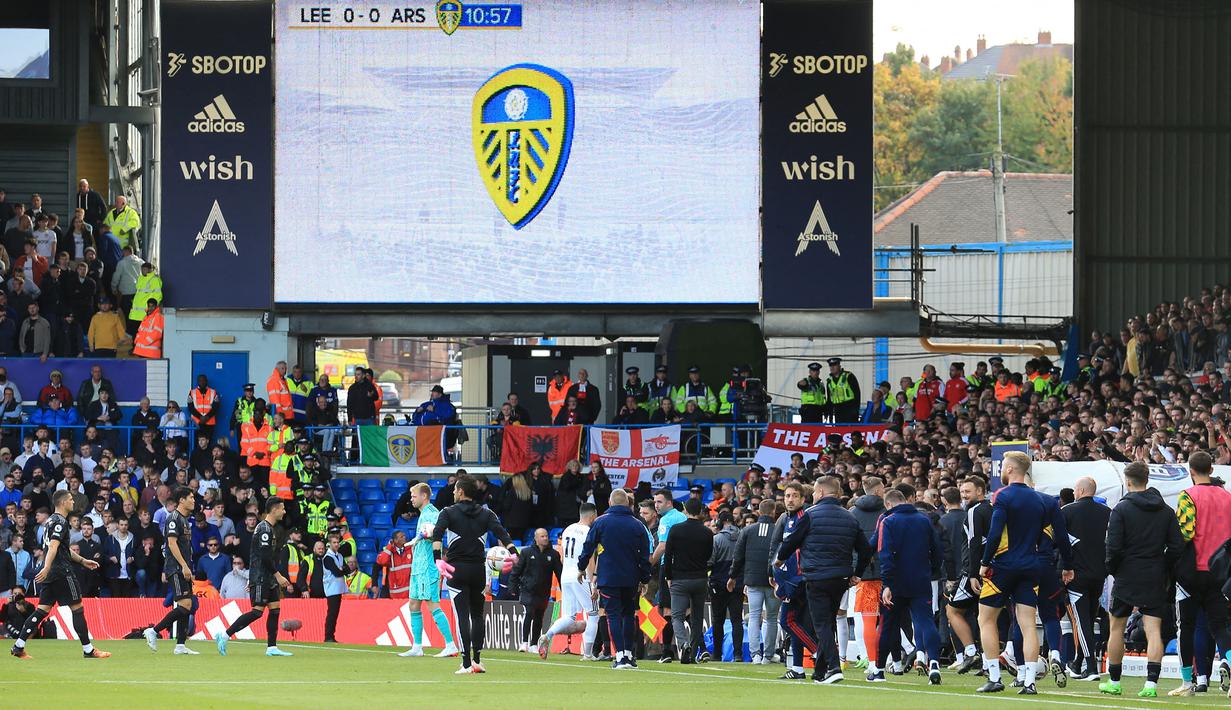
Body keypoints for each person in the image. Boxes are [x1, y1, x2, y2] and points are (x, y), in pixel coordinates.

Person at [776, 476, 873, 684]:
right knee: (828, 623)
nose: (812, 496)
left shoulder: (810, 515)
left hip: (817, 576)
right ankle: (820, 672)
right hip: (841, 578)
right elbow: (865, 550)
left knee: (821, 625)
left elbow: (792, 540)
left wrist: (780, 559)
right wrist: (858, 573)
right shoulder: (850, 517)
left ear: (820, 493)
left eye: (814, 493)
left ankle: (833, 667)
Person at [1099, 462, 1185, 698]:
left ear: (1128, 482)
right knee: (1153, 629)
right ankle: (1151, 685)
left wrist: (1113, 569)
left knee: (1116, 627)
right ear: (1147, 480)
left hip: (1127, 574)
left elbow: (1113, 546)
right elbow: (1177, 546)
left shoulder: (1121, 509)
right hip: (1154, 573)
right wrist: (1163, 564)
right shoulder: (1166, 510)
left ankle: (1114, 682)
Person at [430, 473, 518, 674]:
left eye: (454, 490)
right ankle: (478, 659)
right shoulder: (487, 514)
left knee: (462, 616)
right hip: (479, 570)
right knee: (478, 615)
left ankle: (466, 663)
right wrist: (513, 553)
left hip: (456, 570)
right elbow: (502, 533)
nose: (453, 492)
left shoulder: (448, 512)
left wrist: (438, 559)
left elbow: (437, 535)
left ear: (460, 492)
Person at [976, 451, 1047, 694]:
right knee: (1027, 624)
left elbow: (995, 533)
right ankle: (1029, 682)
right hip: (1030, 565)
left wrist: (985, 561)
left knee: (985, 619)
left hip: (1004, 566)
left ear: (1009, 470)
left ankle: (994, 676)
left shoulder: (1002, 496)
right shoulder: (1039, 499)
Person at [8, 490, 110, 660]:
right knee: (77, 609)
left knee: (41, 611)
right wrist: (47, 567)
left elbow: (62, 548)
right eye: (70, 499)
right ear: (63, 503)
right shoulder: (60, 522)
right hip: (62, 573)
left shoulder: (50, 522)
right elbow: (53, 547)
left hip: (52, 574)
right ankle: (88, 650)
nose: (73, 502)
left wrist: (83, 560)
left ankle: (18, 646)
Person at [1174, 450, 1231, 694]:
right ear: (1212, 469)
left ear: (1190, 471)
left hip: (1193, 569)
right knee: (1219, 625)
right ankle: (1228, 661)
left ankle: (1194, 680)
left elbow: (1185, 532)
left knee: (1190, 626)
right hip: (1222, 570)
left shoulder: (1187, 495)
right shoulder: (1227, 497)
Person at [577, 488, 651, 670]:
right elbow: (645, 555)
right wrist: (645, 578)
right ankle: (628, 654)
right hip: (631, 579)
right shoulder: (637, 525)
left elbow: (588, 547)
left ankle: (619, 657)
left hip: (609, 578)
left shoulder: (601, 522)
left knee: (613, 616)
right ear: (627, 503)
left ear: (610, 503)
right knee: (628, 615)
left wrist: (581, 567)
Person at [877, 487, 944, 685]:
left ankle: (879, 670)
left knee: (888, 624)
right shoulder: (924, 520)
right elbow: (937, 549)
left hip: (896, 581)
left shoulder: (888, 521)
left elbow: (885, 554)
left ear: (889, 504)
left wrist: (887, 583)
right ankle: (933, 663)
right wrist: (930, 569)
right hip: (921, 579)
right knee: (926, 621)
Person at [214, 497, 295, 656]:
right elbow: (264, 556)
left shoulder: (270, 528)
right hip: (261, 578)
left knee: (275, 610)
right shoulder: (264, 528)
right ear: (274, 510)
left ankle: (271, 647)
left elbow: (262, 555)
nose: (284, 511)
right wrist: (277, 575)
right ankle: (224, 635)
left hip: (267, 577)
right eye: (282, 508)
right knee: (257, 612)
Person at [396, 482, 458, 658]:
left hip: (428, 567)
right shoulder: (422, 514)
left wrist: (425, 534)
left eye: (414, 496)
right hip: (418, 567)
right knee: (413, 604)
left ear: (424, 496)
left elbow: (434, 534)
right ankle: (417, 646)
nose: (411, 499)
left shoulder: (433, 514)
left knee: (432, 605)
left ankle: (450, 644)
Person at [1061, 476, 1111, 683]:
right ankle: (1077, 661)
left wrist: (1065, 568)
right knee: (1088, 620)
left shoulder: (1067, 511)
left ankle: (1091, 667)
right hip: (1100, 574)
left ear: (1080, 490)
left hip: (1077, 573)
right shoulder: (1107, 513)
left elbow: (1060, 542)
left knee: (1082, 622)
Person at [538, 503, 599, 659]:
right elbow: (590, 558)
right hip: (581, 575)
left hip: (566, 575)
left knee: (569, 616)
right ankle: (588, 654)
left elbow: (563, 557)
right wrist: (592, 582)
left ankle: (547, 635)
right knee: (593, 613)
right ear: (593, 516)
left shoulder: (567, 530)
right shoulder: (589, 532)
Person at [142, 487, 199, 654]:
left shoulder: (185, 519)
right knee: (185, 604)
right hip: (176, 567)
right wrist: (184, 565)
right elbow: (171, 544)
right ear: (181, 500)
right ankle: (153, 631)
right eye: (191, 497)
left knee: (186, 605)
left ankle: (180, 645)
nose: (194, 500)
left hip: (184, 566)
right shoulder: (173, 518)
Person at [946, 476, 993, 675]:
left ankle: (971, 651)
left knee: (952, 611)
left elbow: (974, 542)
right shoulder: (993, 509)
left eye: (968, 492)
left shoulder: (975, 511)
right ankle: (986, 662)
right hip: (992, 570)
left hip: (973, 571)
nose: (964, 496)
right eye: (962, 492)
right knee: (984, 617)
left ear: (980, 491)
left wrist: (973, 573)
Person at [731, 498, 781, 665]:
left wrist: (732, 576)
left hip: (752, 579)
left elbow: (738, 556)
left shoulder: (748, 530)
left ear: (759, 511)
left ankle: (755, 655)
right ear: (774, 512)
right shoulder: (777, 530)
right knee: (772, 618)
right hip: (772, 580)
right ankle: (768, 655)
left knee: (754, 616)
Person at [662, 498, 711, 664]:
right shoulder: (707, 532)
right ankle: (694, 651)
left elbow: (668, 556)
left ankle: (683, 644)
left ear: (685, 509)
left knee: (677, 616)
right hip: (700, 578)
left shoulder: (676, 530)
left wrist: (668, 576)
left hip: (680, 578)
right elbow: (708, 556)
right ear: (701, 512)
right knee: (697, 617)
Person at [511, 527, 562, 654]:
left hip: (543, 591)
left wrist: (563, 587)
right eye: (542, 536)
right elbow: (517, 570)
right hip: (528, 590)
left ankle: (534, 644)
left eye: (546, 536)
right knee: (528, 613)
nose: (545, 538)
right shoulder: (527, 552)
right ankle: (524, 643)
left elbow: (559, 573)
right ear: (536, 538)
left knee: (539, 617)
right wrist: (512, 586)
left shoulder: (553, 555)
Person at [321, 534, 346, 642]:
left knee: (335, 613)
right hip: (331, 588)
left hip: (338, 587)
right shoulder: (327, 557)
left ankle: (331, 635)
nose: (336, 544)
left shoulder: (339, 556)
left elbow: (346, 569)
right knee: (332, 613)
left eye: (337, 542)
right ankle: (328, 636)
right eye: (334, 542)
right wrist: (342, 570)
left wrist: (342, 569)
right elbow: (337, 572)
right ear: (330, 544)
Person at [826, 358, 861, 423]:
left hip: (850, 407)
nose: (832, 367)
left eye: (834, 365)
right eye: (830, 366)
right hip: (837, 410)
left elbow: (857, 393)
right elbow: (829, 399)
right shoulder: (829, 381)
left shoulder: (849, 376)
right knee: (840, 431)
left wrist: (856, 410)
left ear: (839, 366)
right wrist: (830, 416)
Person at [188, 374, 220, 443]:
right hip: (196, 422)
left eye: (204, 380)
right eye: (200, 380)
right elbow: (190, 407)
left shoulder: (213, 392)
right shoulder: (192, 392)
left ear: (207, 381)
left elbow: (216, 406)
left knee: (208, 442)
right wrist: (200, 417)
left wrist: (207, 417)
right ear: (197, 382)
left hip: (209, 422)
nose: (202, 382)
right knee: (196, 443)